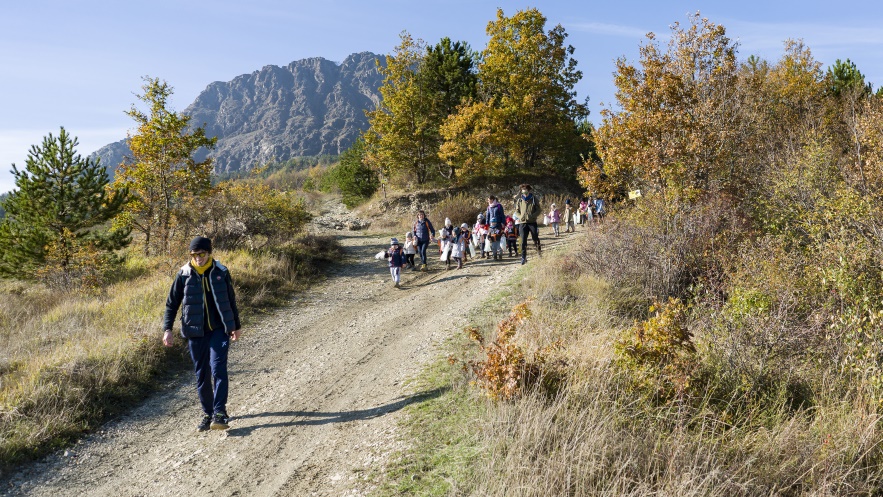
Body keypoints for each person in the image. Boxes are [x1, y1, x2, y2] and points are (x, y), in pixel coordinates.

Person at [163, 236, 242, 432]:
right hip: (195, 332)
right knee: (202, 374)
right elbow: (172, 304)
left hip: (219, 330)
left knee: (218, 369)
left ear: (209, 253)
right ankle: (207, 414)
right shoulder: (184, 274)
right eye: (194, 255)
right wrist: (167, 330)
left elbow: (230, 300)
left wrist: (236, 326)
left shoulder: (221, 272)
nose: (198, 258)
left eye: (202, 254)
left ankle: (220, 412)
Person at [514, 183, 542, 265]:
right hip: (522, 223)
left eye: (525, 189)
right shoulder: (519, 200)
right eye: (522, 189)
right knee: (523, 241)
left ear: (528, 190)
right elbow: (516, 211)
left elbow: (539, 210)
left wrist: (533, 216)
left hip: (532, 222)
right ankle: (523, 257)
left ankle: (539, 253)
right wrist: (520, 216)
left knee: (535, 238)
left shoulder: (533, 198)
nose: (523, 191)